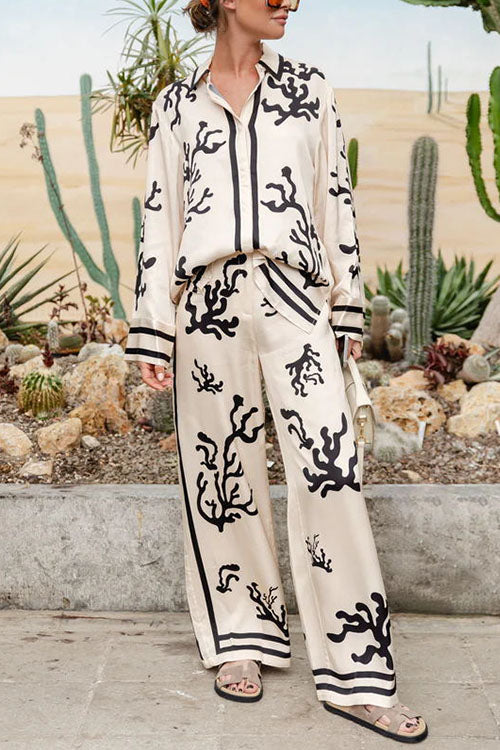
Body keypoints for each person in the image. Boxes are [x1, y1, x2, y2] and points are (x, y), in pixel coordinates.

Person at [123, 0, 428, 742]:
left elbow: (335, 201)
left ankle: (359, 672)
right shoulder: (176, 106)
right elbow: (160, 217)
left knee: (331, 474)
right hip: (207, 304)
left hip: (295, 298)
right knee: (222, 475)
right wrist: (153, 330)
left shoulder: (309, 89)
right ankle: (243, 634)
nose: (291, 0)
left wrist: (346, 309)